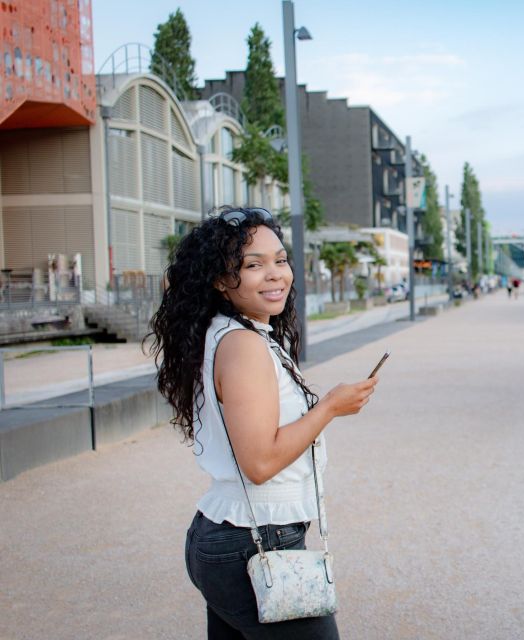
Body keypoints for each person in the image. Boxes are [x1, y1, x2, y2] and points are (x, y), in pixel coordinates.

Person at [148, 207, 377, 639]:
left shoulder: (227, 333)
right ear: (220, 280)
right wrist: (328, 407)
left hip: (235, 536)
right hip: (253, 541)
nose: (275, 275)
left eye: (280, 260)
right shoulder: (243, 345)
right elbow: (259, 462)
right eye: (253, 265)